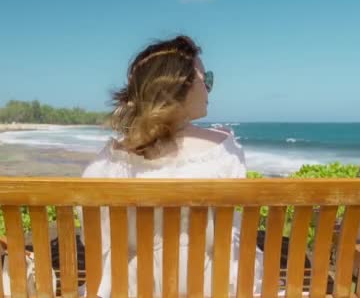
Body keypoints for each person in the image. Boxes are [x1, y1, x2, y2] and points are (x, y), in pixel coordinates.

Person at [78, 35, 263, 297]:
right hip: (212, 288)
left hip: (130, 289)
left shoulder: (109, 161)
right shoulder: (224, 151)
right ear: (180, 85)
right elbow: (234, 232)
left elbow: (93, 237)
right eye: (205, 78)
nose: (209, 88)